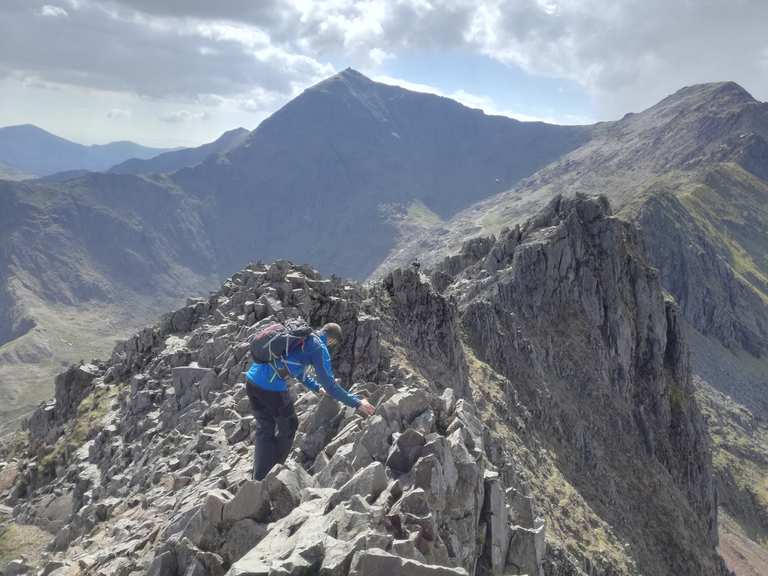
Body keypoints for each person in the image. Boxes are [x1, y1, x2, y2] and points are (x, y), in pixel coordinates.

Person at [245, 322, 375, 480]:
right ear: (332, 340)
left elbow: (296, 369)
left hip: (251, 381)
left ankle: (258, 476)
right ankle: (273, 473)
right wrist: (358, 403)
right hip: (270, 387)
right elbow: (331, 386)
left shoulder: (302, 336)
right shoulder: (319, 348)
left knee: (265, 427)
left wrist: (316, 387)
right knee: (290, 426)